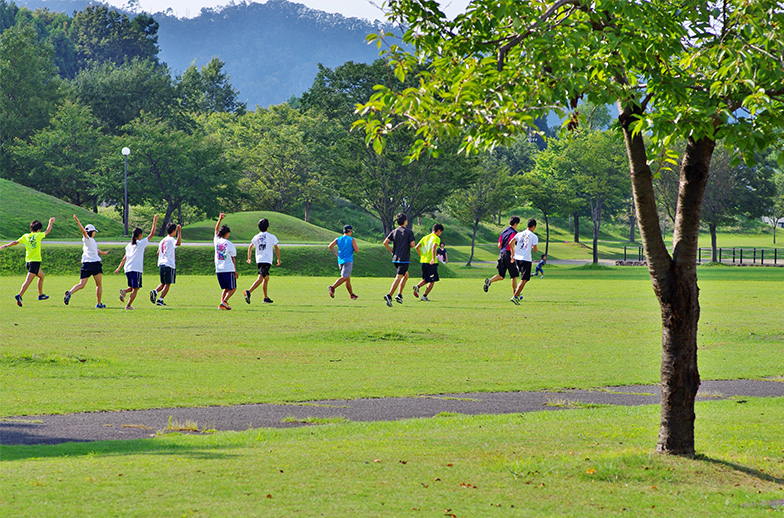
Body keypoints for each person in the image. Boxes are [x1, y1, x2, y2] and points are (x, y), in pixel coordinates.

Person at [1, 217, 55, 306]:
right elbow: (48, 231)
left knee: (42, 276)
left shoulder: (26, 236)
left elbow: (15, 242)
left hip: (28, 262)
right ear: (38, 229)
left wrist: (6, 246)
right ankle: (19, 295)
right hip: (35, 262)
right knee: (28, 281)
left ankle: (41, 295)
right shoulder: (38, 235)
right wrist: (50, 222)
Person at [64, 215, 110, 308]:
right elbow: (83, 232)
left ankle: (70, 293)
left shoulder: (91, 241)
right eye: (94, 232)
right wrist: (78, 221)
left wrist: (103, 253)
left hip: (86, 264)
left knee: (81, 284)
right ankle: (99, 303)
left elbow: (96, 249)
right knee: (99, 285)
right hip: (95, 264)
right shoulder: (87, 238)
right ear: (91, 232)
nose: (94, 233)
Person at [114, 215, 158, 310]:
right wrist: (154, 221)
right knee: (136, 288)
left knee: (132, 287)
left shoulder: (129, 245)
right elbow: (152, 234)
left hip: (128, 269)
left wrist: (118, 268)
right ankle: (128, 305)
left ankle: (124, 291)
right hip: (136, 269)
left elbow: (124, 258)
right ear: (140, 235)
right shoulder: (140, 243)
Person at [243, 218, 280, 305]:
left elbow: (250, 247)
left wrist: (249, 258)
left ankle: (265, 298)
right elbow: (276, 248)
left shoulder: (256, 236)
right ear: (268, 227)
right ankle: (249, 291)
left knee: (266, 278)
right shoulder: (271, 236)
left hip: (259, 260)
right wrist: (278, 258)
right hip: (266, 260)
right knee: (260, 278)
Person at [382, 213, 415, 307]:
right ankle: (389, 295)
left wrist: (392, 251)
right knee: (399, 277)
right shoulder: (409, 232)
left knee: (406, 275)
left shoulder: (394, 231)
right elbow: (412, 244)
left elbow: (385, 242)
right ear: (405, 221)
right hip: (404, 259)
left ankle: (399, 295)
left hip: (395, 259)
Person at [483, 216, 520, 297]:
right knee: (514, 276)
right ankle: (515, 295)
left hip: (501, 254)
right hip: (508, 254)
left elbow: (499, 245)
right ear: (516, 224)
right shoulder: (514, 233)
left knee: (501, 276)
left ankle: (490, 281)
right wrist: (512, 256)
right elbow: (511, 244)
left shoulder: (504, 232)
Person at [150, 222, 182, 306]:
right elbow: (178, 243)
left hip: (161, 263)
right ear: (174, 231)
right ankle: (160, 299)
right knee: (168, 283)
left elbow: (158, 253)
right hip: (169, 263)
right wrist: (180, 232)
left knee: (163, 283)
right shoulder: (171, 239)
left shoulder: (162, 240)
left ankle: (155, 291)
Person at [412, 223, 444, 301]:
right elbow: (433, 248)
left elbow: (417, 247)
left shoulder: (425, 237)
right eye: (441, 232)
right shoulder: (436, 238)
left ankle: (417, 286)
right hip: (431, 262)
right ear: (439, 231)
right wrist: (433, 258)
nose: (440, 234)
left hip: (423, 261)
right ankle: (424, 296)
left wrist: (421, 256)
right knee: (432, 280)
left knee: (426, 279)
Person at [214, 213, 239, 310]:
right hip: (228, 268)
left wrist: (219, 219)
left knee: (226, 288)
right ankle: (224, 302)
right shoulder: (229, 244)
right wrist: (235, 270)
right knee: (233, 288)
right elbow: (232, 257)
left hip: (219, 269)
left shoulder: (217, 241)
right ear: (227, 233)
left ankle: (222, 304)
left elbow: (216, 230)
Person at [511, 219, 539, 304]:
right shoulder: (533, 236)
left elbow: (510, 243)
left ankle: (517, 294)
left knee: (520, 277)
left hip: (517, 258)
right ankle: (515, 296)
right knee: (525, 279)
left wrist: (513, 253)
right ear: (533, 227)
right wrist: (533, 248)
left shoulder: (519, 234)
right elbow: (534, 249)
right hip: (526, 259)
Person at [328, 224, 359, 300]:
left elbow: (330, 246)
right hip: (348, 260)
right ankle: (333, 287)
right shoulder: (352, 239)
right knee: (345, 277)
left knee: (347, 278)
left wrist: (336, 252)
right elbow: (357, 250)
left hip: (340, 260)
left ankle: (351, 294)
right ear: (350, 231)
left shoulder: (338, 239)